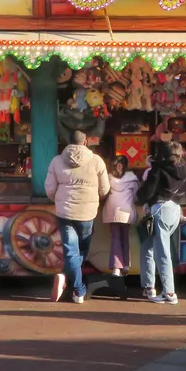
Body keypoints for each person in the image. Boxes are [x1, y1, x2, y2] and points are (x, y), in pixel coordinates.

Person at [44, 130, 110, 304]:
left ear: (68, 142)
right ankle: (78, 289)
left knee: (71, 250)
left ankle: (69, 280)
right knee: (82, 249)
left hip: (64, 212)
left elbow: (49, 189)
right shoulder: (97, 161)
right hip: (87, 213)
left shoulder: (57, 161)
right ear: (85, 142)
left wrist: (59, 200)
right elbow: (105, 189)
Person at [136, 140, 186, 305]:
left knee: (162, 252)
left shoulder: (158, 170)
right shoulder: (184, 169)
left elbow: (146, 192)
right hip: (175, 209)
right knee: (148, 247)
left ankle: (169, 293)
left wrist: (142, 195)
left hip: (160, 210)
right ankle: (149, 287)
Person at [101, 156, 141, 277]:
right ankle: (126, 265)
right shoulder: (132, 178)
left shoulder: (108, 177)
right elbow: (136, 196)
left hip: (112, 210)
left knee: (116, 238)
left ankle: (116, 268)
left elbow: (103, 193)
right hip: (126, 211)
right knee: (125, 237)